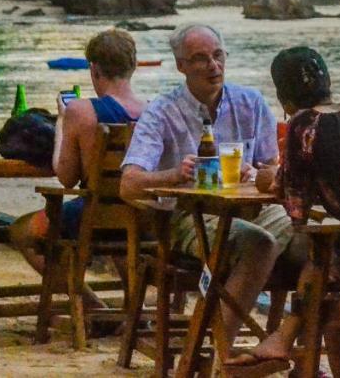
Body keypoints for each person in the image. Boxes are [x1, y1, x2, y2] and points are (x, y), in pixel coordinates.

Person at [120, 23, 292, 362]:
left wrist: (257, 173)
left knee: (307, 237)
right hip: (185, 216)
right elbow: (128, 183)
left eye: (217, 55)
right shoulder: (162, 111)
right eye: (200, 59)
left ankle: (282, 344)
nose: (213, 66)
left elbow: (272, 169)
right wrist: (176, 174)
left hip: (248, 211)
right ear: (181, 66)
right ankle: (217, 351)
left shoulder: (251, 103)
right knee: (257, 244)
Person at [226, 46, 340, 371]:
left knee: (320, 254)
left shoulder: (304, 124)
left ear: (284, 99)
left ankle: (282, 338)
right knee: (332, 276)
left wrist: (269, 178)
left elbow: (296, 208)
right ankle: (286, 342)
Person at [9, 29, 148, 325]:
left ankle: (94, 306)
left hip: (93, 217)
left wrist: (62, 119)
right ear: (133, 67)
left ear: (94, 69)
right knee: (123, 241)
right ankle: (134, 310)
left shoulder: (82, 112)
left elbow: (66, 177)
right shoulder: (153, 112)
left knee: (21, 231)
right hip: (141, 217)